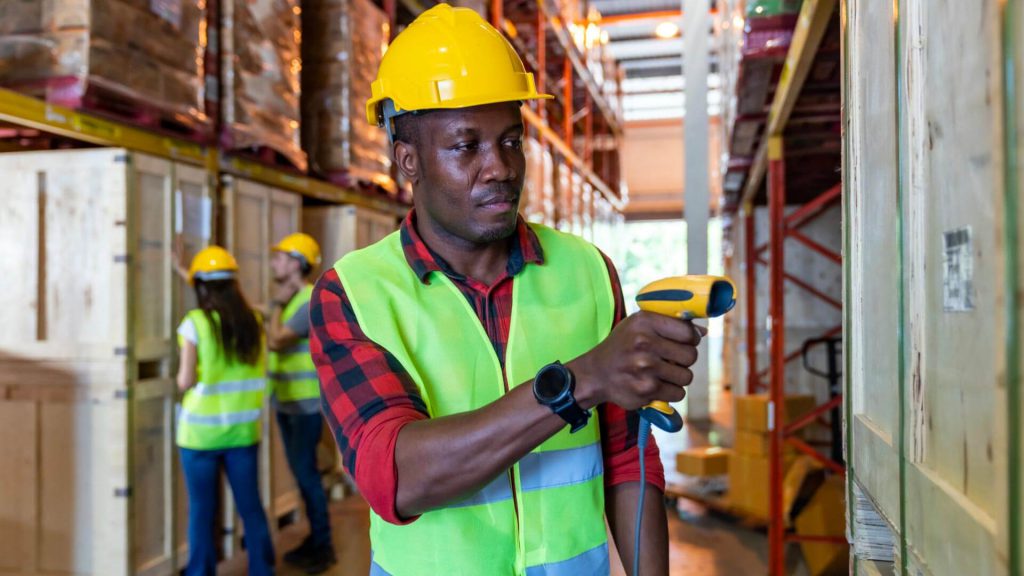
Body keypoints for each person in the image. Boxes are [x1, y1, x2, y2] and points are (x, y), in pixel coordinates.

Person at [310, 5, 700, 575]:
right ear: (407, 159)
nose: (499, 167)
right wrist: (581, 381)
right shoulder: (355, 294)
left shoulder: (587, 270)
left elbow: (628, 459)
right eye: (466, 146)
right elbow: (397, 476)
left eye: (511, 140)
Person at [175, 246, 275, 576]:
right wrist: (186, 272)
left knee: (202, 510)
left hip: (199, 437)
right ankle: (262, 569)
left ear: (201, 287)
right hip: (242, 433)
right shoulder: (255, 322)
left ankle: (200, 571)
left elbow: (185, 380)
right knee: (251, 507)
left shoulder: (195, 324)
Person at [266, 233, 337, 573]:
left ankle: (323, 547)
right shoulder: (296, 298)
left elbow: (277, 340)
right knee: (303, 474)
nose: (274, 263)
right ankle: (316, 538)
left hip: (303, 406)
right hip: (290, 403)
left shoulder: (306, 299)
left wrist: (276, 305)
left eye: (280, 257)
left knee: (307, 475)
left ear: (297, 262)